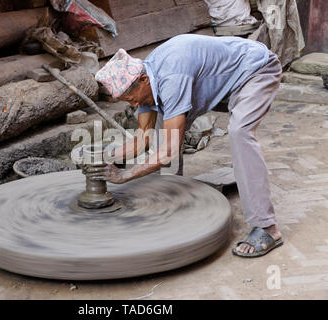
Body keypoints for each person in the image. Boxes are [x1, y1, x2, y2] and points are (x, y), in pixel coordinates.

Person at [85, 34, 283, 258]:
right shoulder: (146, 78)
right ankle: (175, 196)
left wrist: (125, 175)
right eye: (127, 101)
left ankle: (267, 228)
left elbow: (169, 150)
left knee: (240, 132)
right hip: (217, 81)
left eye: (132, 99)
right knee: (160, 123)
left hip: (254, 71)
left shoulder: (171, 76)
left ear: (142, 80)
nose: (134, 104)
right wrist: (104, 156)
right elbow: (143, 138)